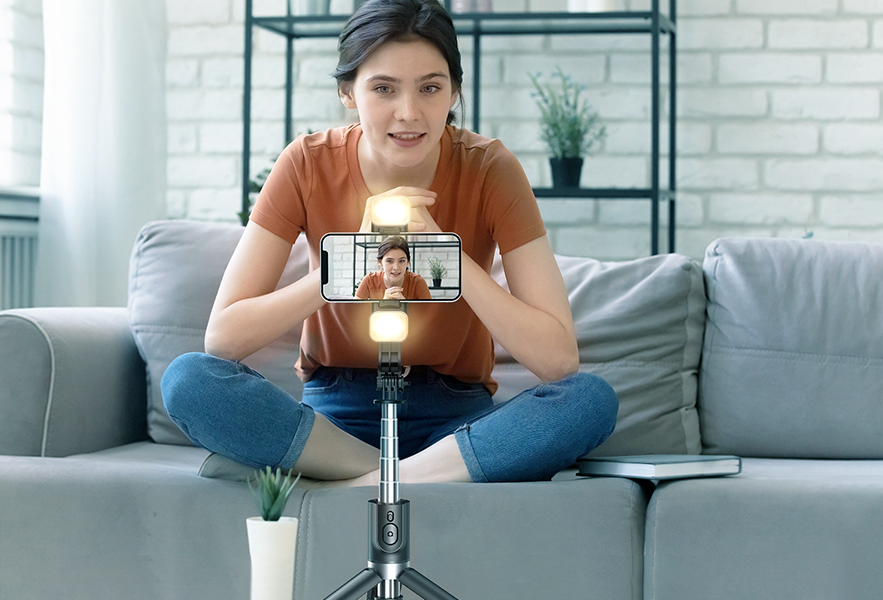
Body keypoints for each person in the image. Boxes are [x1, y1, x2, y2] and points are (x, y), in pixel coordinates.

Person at [161, 0, 617, 486]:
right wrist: (351, 262)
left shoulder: (490, 168)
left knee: (589, 399)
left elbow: (558, 361)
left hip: (457, 417)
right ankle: (410, 478)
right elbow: (224, 340)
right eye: (383, 88)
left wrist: (450, 261)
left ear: (454, 92)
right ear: (347, 92)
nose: (409, 113)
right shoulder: (306, 164)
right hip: (336, 416)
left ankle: (363, 483)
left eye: (430, 88)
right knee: (190, 380)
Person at [356, 236, 431, 300]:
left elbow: (431, 315)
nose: (396, 267)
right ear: (380, 262)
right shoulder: (369, 280)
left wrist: (406, 305)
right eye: (389, 261)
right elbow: (354, 313)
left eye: (401, 261)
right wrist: (383, 304)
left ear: (407, 262)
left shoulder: (417, 282)